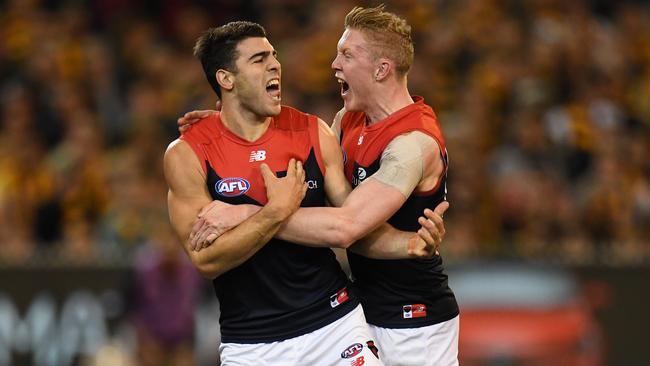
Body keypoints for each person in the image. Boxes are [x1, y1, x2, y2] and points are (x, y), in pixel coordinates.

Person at [179, 6, 459, 366]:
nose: (334, 64)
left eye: (346, 54)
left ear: (381, 69)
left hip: (414, 319)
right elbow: (293, 143)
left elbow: (346, 227)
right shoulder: (348, 120)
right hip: (359, 309)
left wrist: (247, 213)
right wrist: (229, 122)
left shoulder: (412, 144)